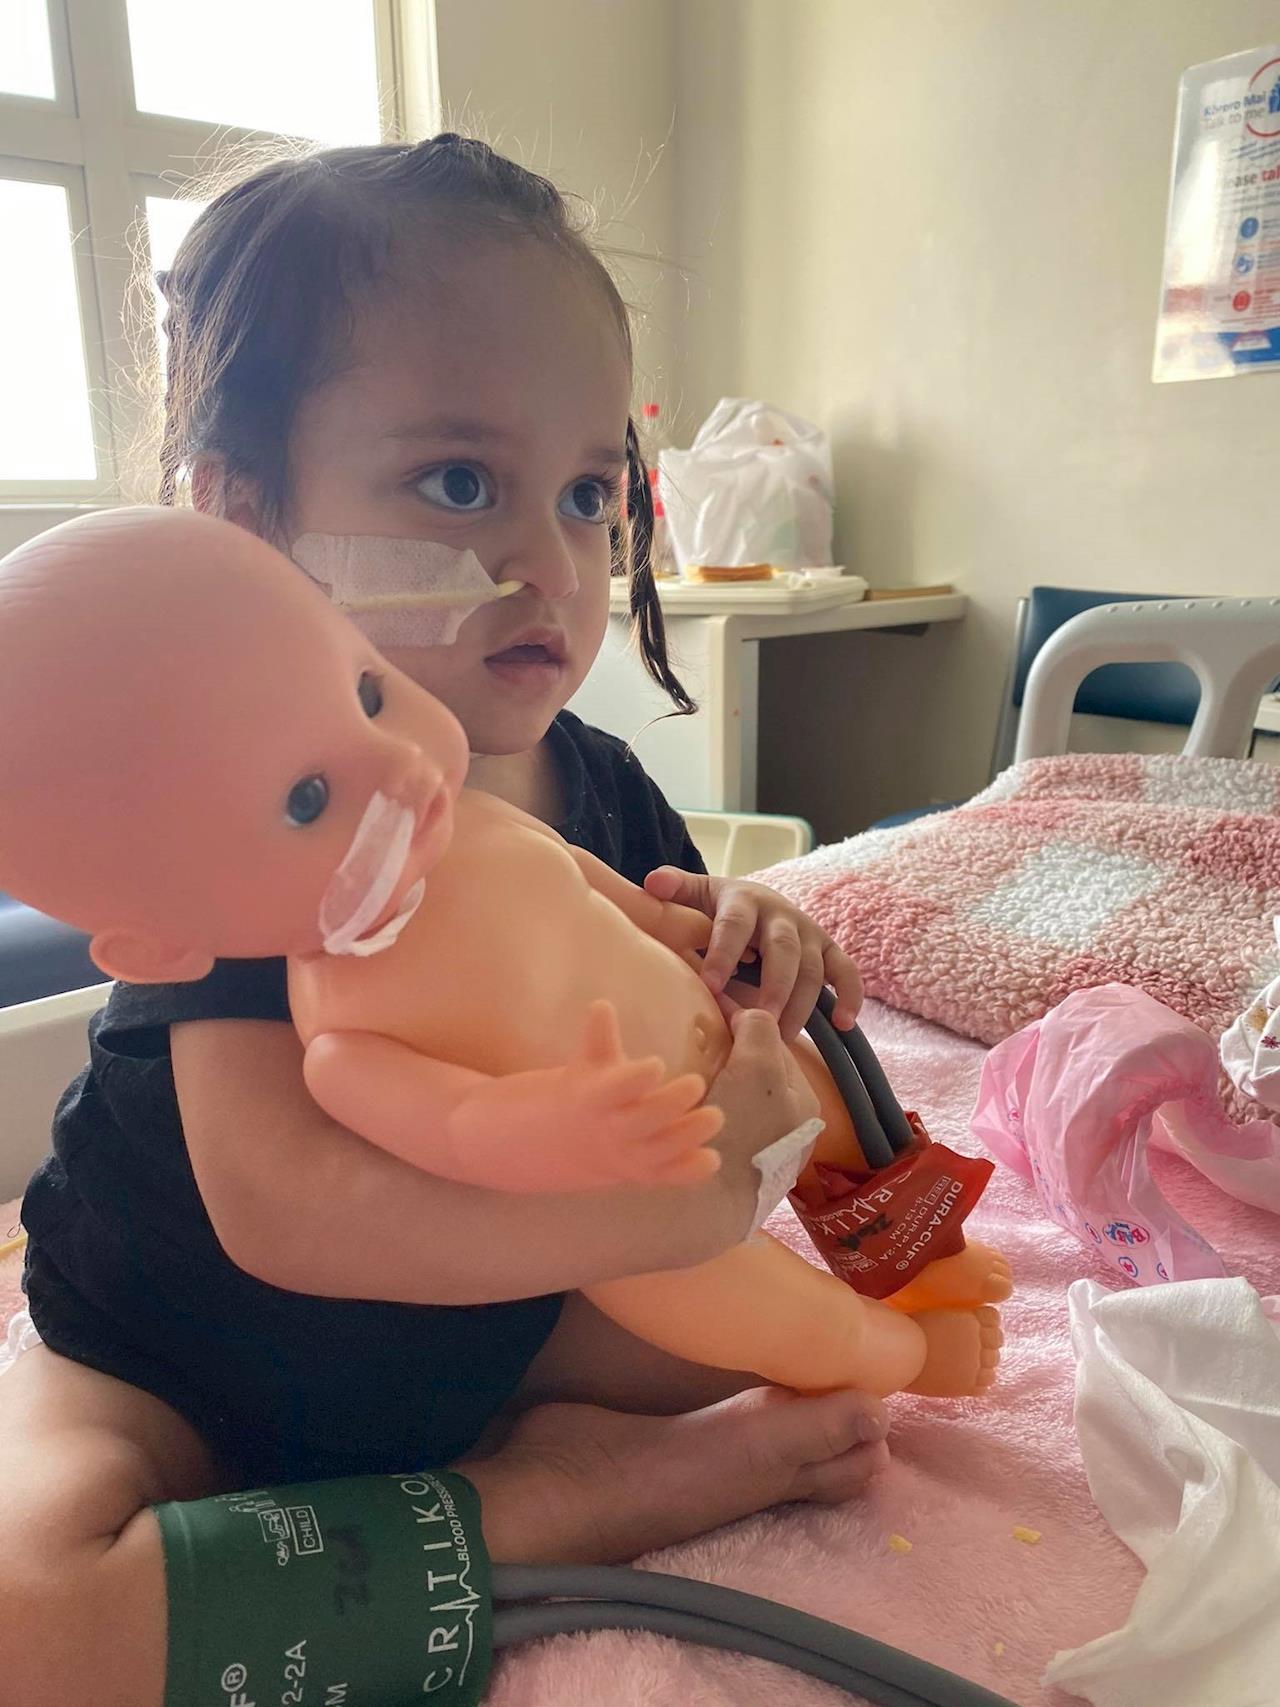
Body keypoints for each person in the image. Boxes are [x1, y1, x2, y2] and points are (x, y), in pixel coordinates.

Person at [0, 136, 885, 1706]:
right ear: (243, 516)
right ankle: (571, 1499)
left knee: (831, 1337)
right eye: (462, 484)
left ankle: (530, 1444)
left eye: (590, 491)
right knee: (29, 1621)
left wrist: (758, 946)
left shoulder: (597, 787)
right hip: (174, 1358)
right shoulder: (242, 826)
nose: (547, 560)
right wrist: (667, 1225)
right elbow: (290, 1211)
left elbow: (694, 1030)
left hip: (508, 1326)